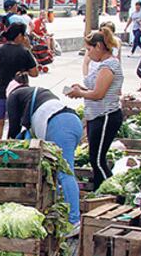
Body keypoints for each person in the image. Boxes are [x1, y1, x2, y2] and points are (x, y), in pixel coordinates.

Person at [7, 81, 82, 234]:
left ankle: (74, 221)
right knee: (58, 172)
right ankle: (65, 214)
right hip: (72, 122)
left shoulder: (13, 96)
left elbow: (13, 131)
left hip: (60, 126)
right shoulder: (40, 94)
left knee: (65, 173)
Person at [66, 27, 124, 191]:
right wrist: (81, 89)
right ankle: (102, 190)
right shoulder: (102, 65)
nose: (88, 54)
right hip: (96, 115)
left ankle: (110, 191)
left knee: (97, 159)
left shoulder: (108, 65)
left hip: (105, 116)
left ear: (99, 46)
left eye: (89, 49)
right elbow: (95, 89)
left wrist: (80, 93)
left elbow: (99, 94)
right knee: (95, 158)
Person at [0, 23, 38, 139]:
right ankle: (12, 147)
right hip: (18, 94)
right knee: (15, 124)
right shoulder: (24, 52)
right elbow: (34, 73)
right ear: (19, 36)